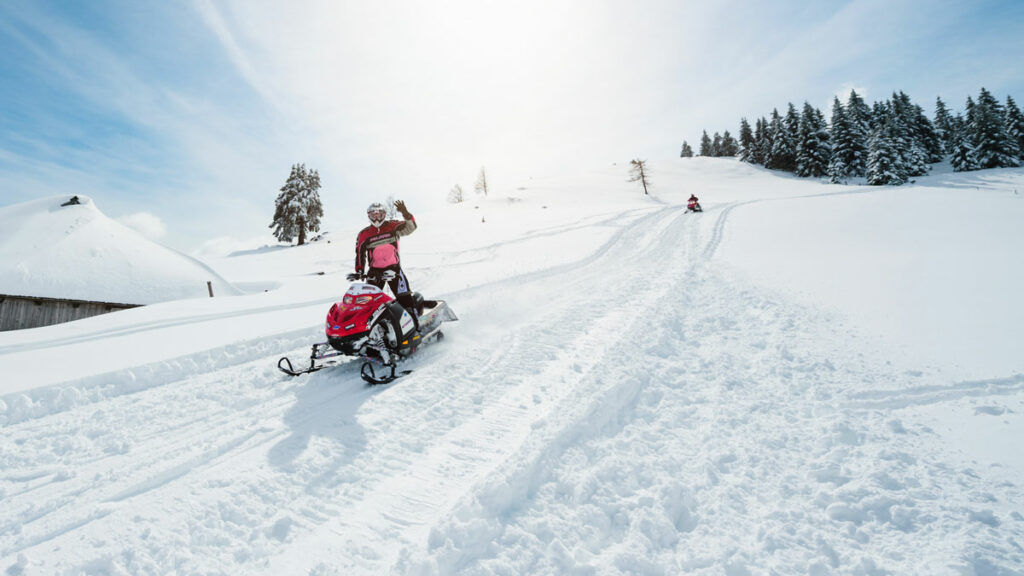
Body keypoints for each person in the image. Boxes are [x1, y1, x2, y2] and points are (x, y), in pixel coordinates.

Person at [349, 200, 417, 298]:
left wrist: (405, 213)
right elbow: (360, 253)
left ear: (384, 215)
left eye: (379, 215)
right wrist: (359, 271)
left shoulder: (392, 226)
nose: (376, 218)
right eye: (374, 215)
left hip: (394, 270)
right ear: (369, 216)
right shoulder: (364, 234)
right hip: (374, 273)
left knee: (405, 300)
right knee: (370, 303)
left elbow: (411, 227)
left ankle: (411, 311)